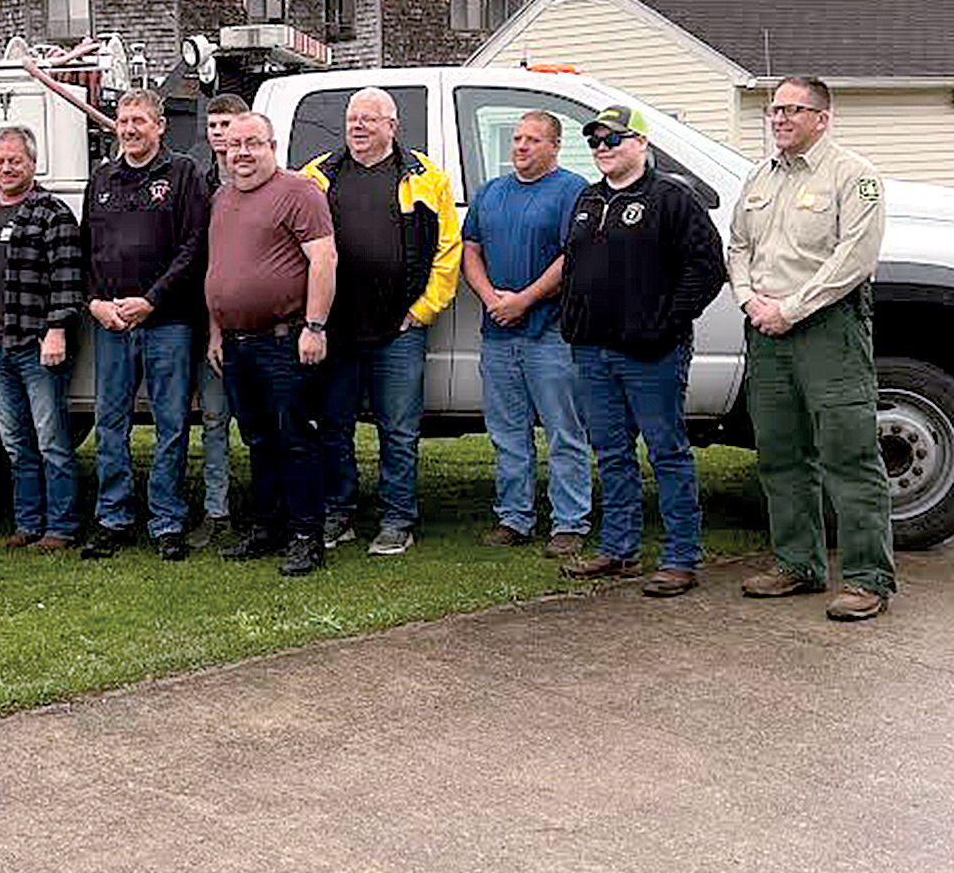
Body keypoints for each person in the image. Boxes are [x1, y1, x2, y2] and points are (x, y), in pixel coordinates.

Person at [728, 76, 894, 621]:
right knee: (779, 454)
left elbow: (854, 260)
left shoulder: (854, 177)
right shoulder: (759, 177)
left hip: (827, 329)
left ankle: (868, 579)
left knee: (849, 455)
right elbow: (739, 246)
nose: (779, 118)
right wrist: (751, 301)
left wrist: (790, 308)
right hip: (766, 331)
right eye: (774, 110)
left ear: (822, 118)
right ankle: (796, 564)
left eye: (792, 110)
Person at [560, 105, 726, 596]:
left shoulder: (673, 197)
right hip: (593, 351)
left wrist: (666, 323)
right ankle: (619, 549)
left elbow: (706, 268)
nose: (602, 148)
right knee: (611, 453)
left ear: (642, 144)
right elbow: (575, 266)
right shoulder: (588, 199)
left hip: (650, 353)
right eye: (594, 141)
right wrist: (575, 319)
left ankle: (680, 558)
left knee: (667, 452)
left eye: (613, 139)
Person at [302, 87, 460, 556]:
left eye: (370, 118)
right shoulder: (316, 176)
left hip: (400, 330)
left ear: (393, 125)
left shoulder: (426, 177)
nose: (358, 126)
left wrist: (423, 310)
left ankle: (397, 519)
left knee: (399, 429)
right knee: (333, 426)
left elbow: (448, 250)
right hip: (335, 329)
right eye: (353, 118)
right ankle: (338, 512)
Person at [79, 88, 210, 562]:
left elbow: (194, 248)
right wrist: (94, 302)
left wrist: (152, 300)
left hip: (167, 321)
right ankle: (113, 519)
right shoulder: (102, 179)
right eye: (123, 120)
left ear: (160, 127)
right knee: (109, 423)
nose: (129, 129)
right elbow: (86, 251)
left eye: (139, 121)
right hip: (111, 324)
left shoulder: (183, 175)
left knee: (170, 424)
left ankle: (167, 521)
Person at [206, 111, 337, 576]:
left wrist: (315, 327)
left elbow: (323, 261)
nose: (242, 152)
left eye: (252, 143)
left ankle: (307, 536)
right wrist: (216, 331)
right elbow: (218, 268)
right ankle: (268, 528)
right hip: (237, 344)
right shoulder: (222, 198)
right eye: (234, 144)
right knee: (258, 440)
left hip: (284, 340)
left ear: (272, 146)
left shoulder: (299, 192)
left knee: (295, 439)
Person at [461, 111, 592, 558]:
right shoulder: (491, 193)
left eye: (532, 140)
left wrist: (524, 300)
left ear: (555, 146)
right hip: (498, 335)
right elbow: (470, 250)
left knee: (563, 432)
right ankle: (514, 517)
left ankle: (570, 523)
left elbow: (571, 257)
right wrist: (491, 298)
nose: (520, 146)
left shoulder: (571, 190)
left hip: (549, 334)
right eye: (516, 138)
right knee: (507, 434)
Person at [0, 124, 84, 550]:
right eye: (0, 161)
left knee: (51, 439)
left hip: (38, 345)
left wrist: (57, 330)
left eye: (15, 160)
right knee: (15, 443)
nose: (6, 168)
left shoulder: (52, 212)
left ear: (33, 163)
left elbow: (68, 279)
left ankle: (61, 528)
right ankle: (28, 524)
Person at [189, 93, 249, 548]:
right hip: (208, 319)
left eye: (226, 124)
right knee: (213, 420)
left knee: (264, 422)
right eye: (212, 125)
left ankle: (272, 506)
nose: (219, 133)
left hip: (260, 324)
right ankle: (217, 510)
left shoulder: (268, 179)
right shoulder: (195, 181)